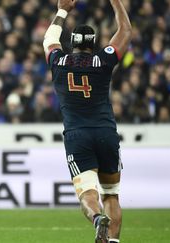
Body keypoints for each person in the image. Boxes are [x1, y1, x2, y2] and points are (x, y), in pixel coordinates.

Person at [43, 0, 131, 243]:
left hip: (77, 136)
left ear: (71, 43)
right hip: (105, 132)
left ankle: (96, 218)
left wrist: (63, 10)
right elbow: (125, 31)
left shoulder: (58, 62)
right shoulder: (103, 61)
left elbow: (48, 39)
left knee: (87, 193)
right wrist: (115, 2)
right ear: (93, 44)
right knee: (111, 195)